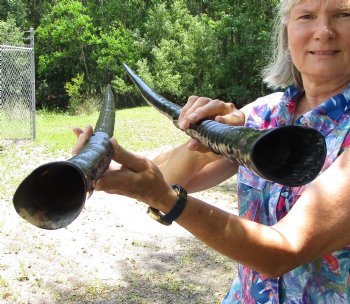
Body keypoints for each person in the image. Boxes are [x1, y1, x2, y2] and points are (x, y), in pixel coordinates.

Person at [73, 0, 350, 302]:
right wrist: (207, 135)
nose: (323, 31)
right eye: (306, 16)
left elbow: (283, 251)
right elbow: (170, 177)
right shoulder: (267, 112)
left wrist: (166, 200)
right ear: (287, 32)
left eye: (344, 15)